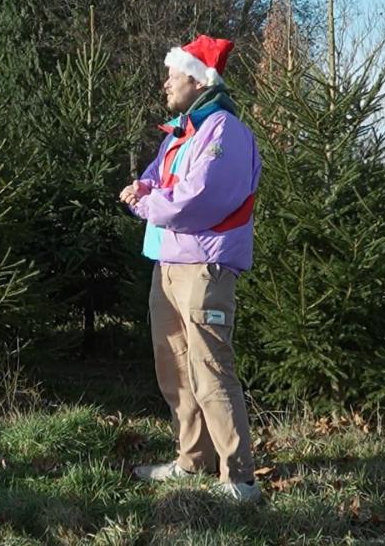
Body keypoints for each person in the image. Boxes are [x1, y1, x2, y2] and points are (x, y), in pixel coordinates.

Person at [120, 35, 262, 502]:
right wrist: (141, 187)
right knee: (175, 366)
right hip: (168, 263)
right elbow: (159, 178)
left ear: (199, 80)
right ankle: (193, 460)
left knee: (210, 368)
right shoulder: (184, 131)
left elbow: (197, 200)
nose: (165, 84)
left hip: (205, 266)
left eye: (173, 75)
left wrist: (145, 205)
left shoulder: (224, 131)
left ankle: (239, 478)